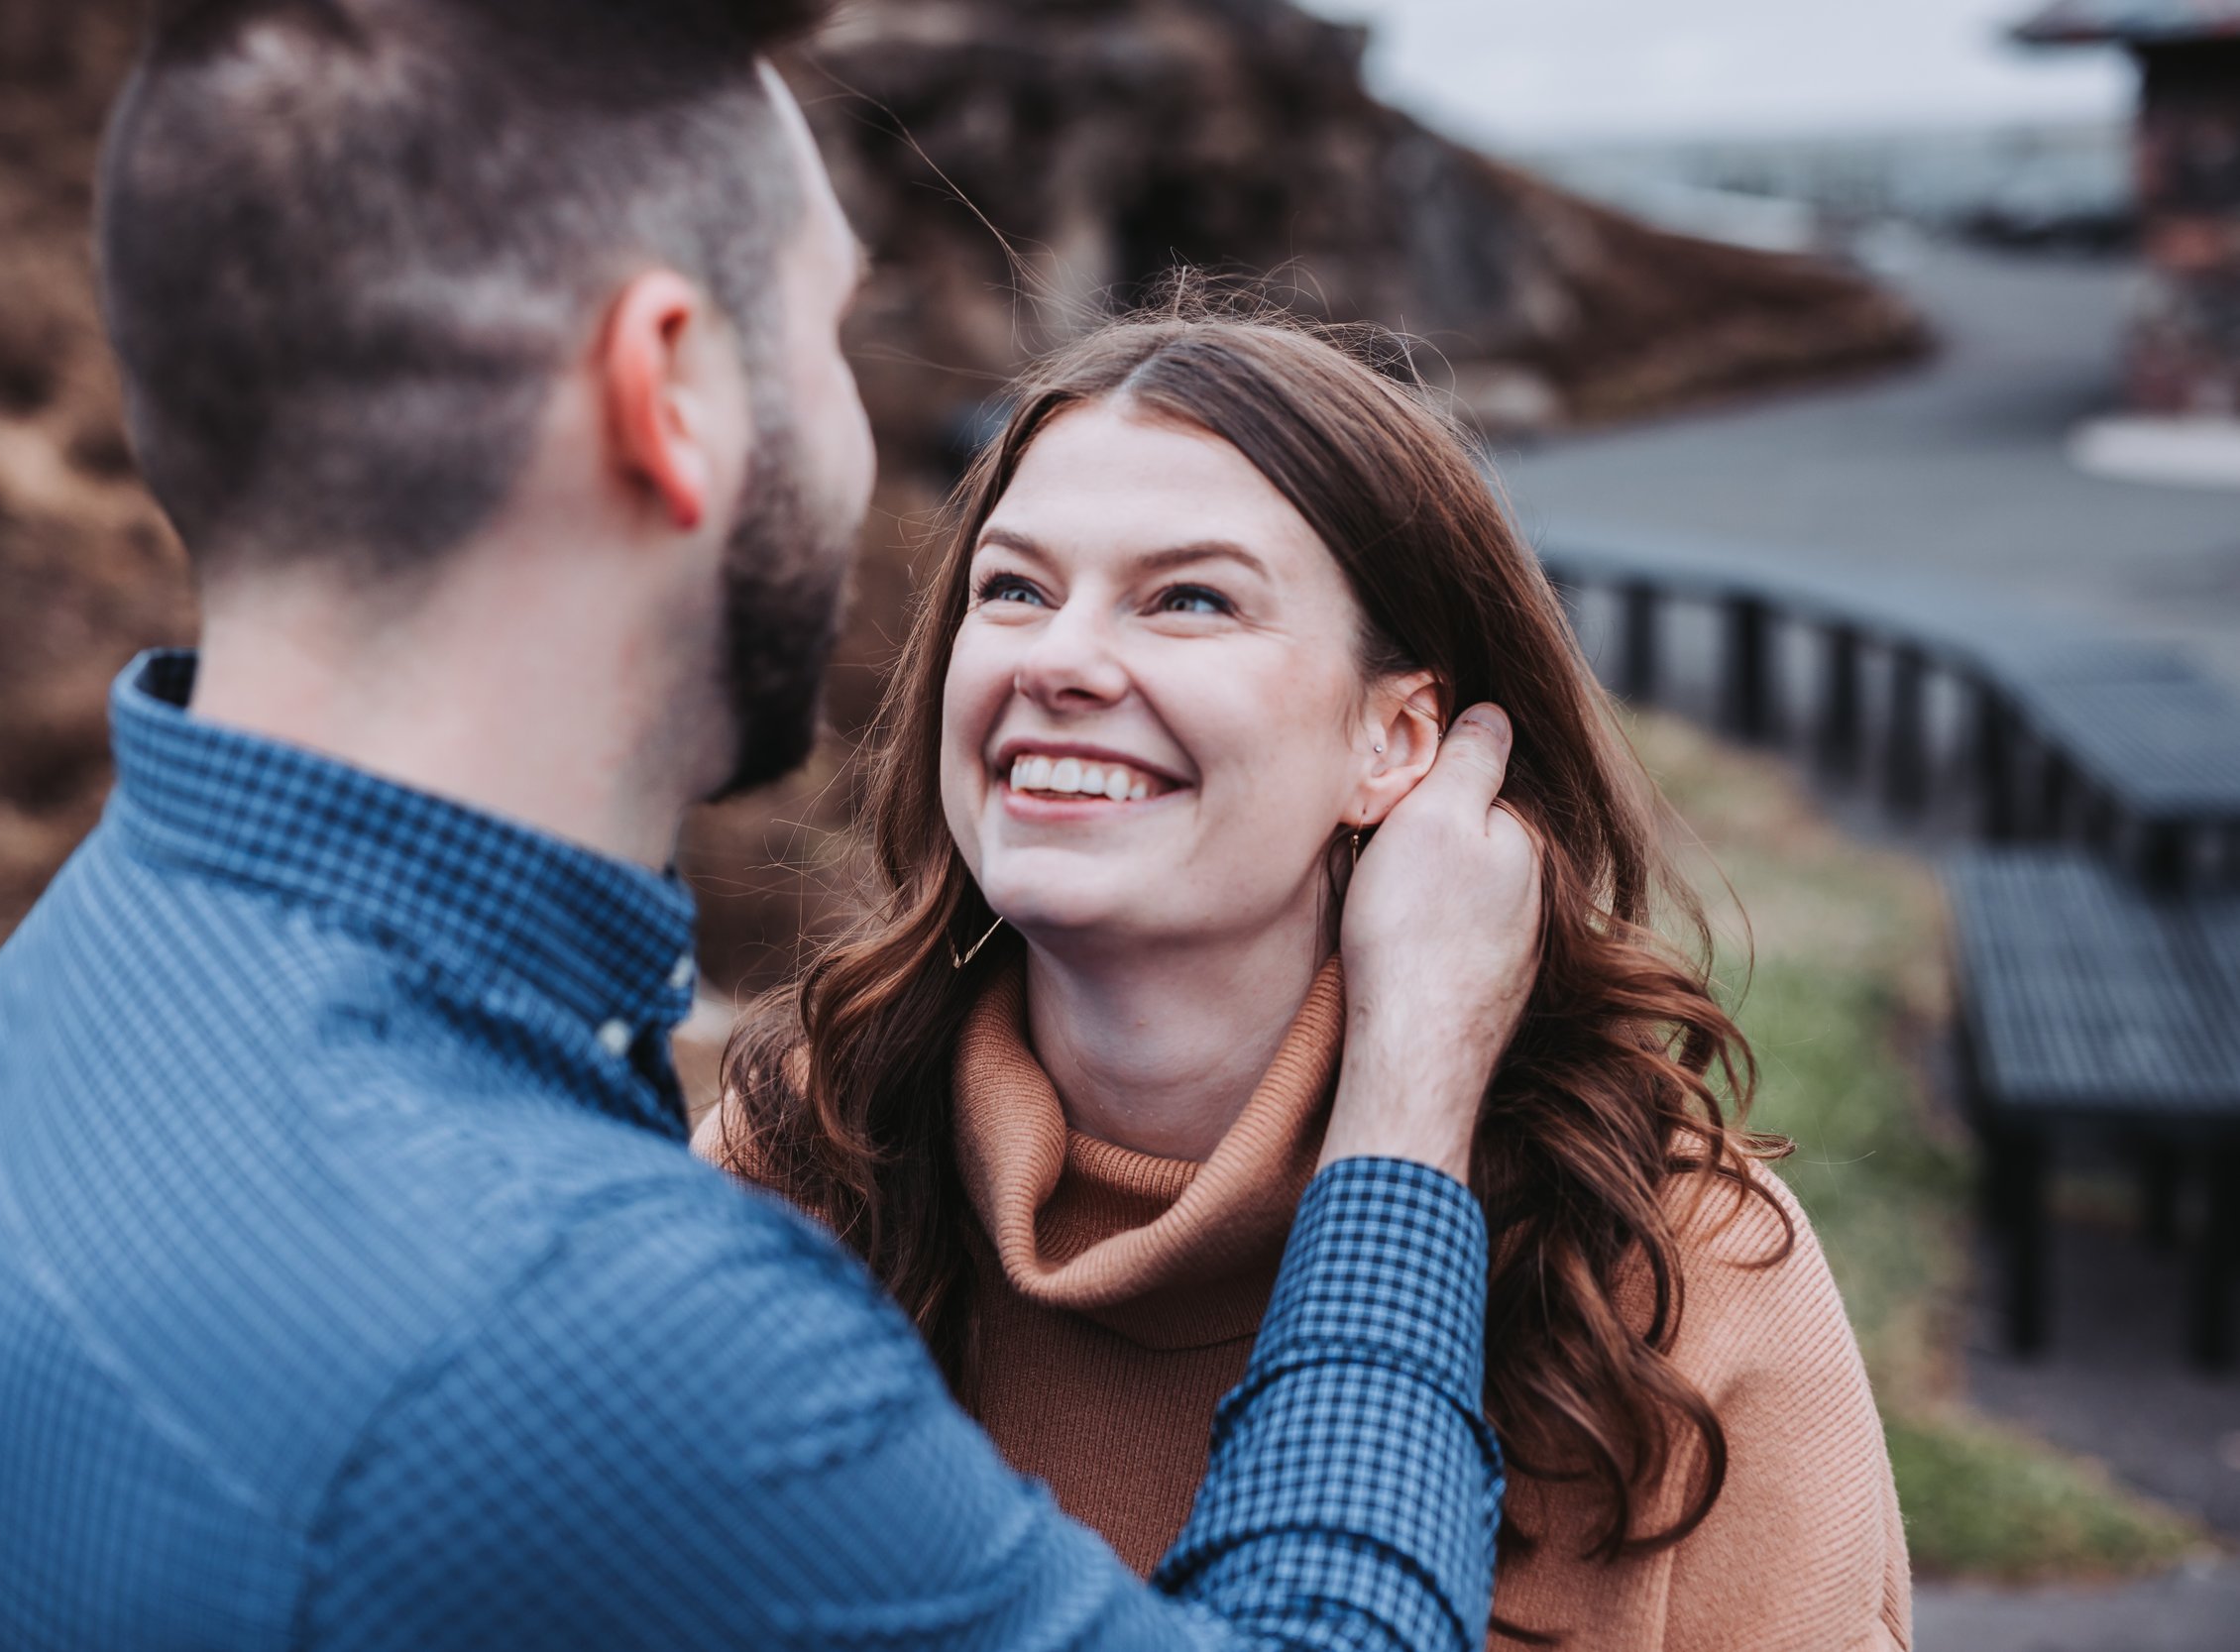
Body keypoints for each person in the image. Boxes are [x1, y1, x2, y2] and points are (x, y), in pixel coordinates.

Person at [0, 4, 1539, 1649]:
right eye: (823, 335)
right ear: (665, 390)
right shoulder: (586, 1328)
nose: (855, 446)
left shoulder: (80, 970)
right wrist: (1410, 1092)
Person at [703, 313, 1913, 1652]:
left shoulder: (1666, 1257)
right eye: (1014, 590)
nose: (1055, 661)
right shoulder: (797, 1168)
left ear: (1395, 740)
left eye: (1191, 598)